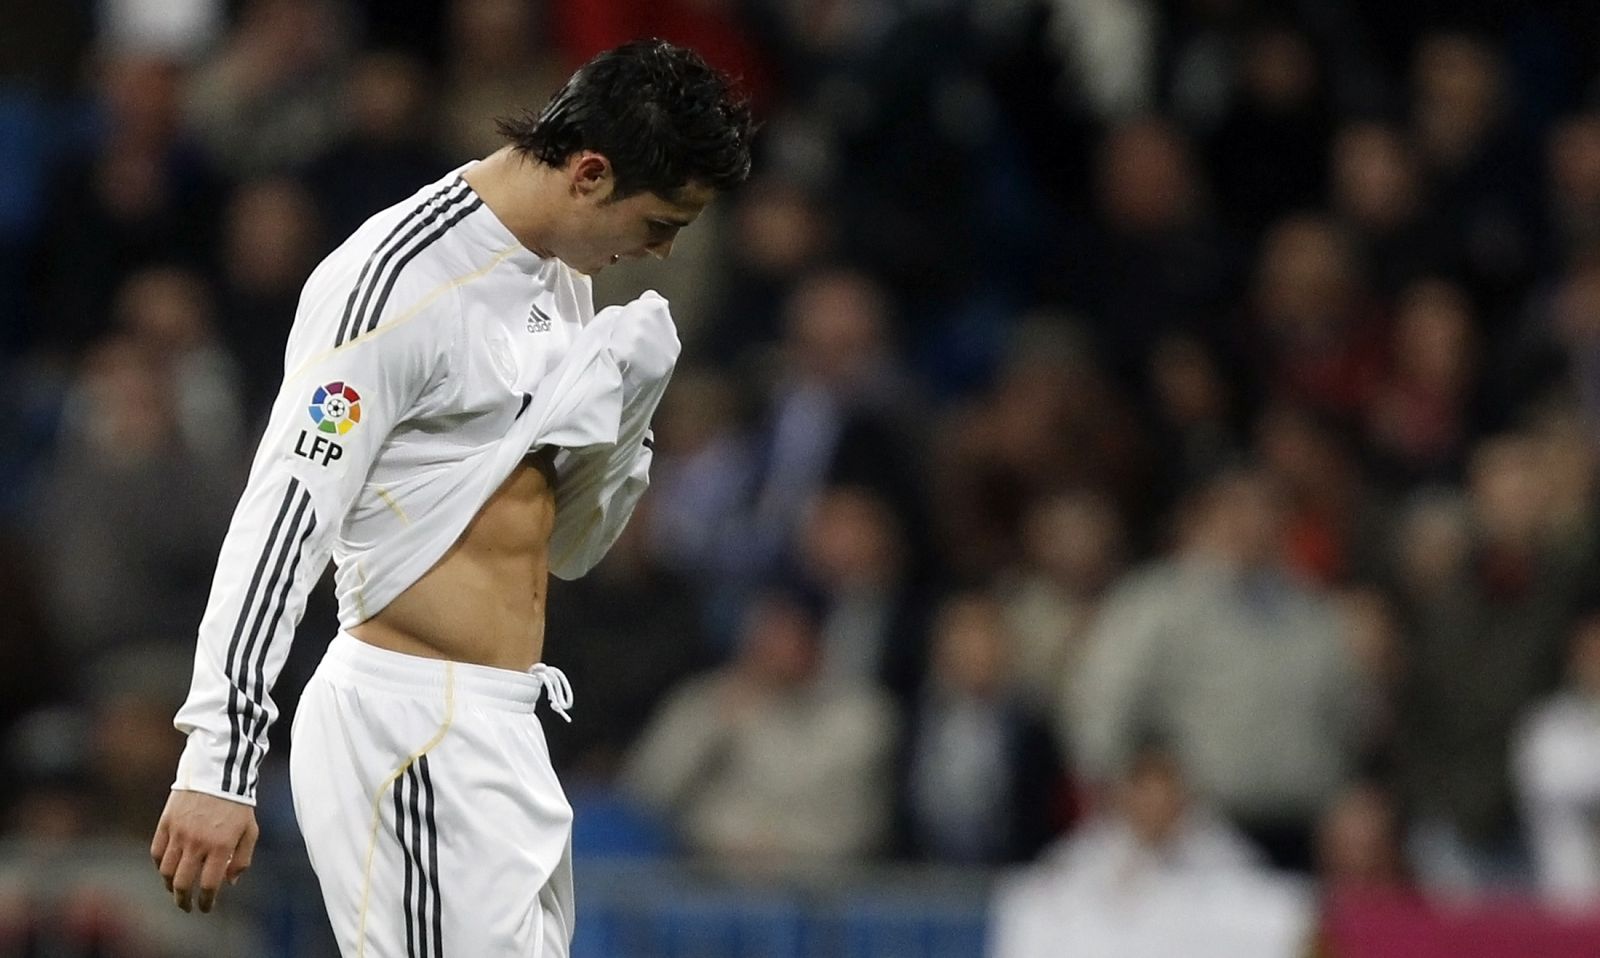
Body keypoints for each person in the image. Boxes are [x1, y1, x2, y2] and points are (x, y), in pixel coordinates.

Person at [147, 38, 752, 957]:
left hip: (502, 724)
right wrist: (217, 762)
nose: (662, 251)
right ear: (591, 173)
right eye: (661, 221)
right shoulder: (396, 281)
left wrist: (626, 423)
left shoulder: (561, 275)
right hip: (408, 727)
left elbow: (562, 549)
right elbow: (282, 519)